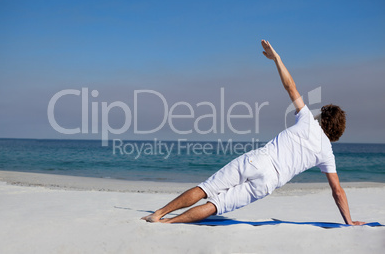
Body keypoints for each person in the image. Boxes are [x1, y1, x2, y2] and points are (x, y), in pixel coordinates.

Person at [141, 40, 366, 225]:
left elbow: (291, 87)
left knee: (205, 189)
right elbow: (337, 190)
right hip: (269, 181)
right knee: (215, 206)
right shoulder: (326, 152)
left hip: (258, 160)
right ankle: (168, 223)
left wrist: (277, 59)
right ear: (337, 131)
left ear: (322, 117)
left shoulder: (307, 119)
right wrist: (349, 221)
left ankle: (159, 213)